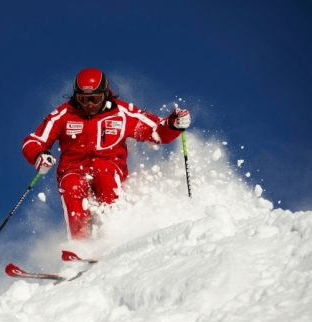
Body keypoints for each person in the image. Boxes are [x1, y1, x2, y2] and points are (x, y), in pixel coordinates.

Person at [22, 68, 191, 241]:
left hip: (109, 167)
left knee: (103, 173)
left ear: (105, 94)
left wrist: (173, 124)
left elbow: (156, 131)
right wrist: (39, 155)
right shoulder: (64, 115)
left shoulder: (121, 113)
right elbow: (34, 141)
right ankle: (80, 246)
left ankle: (113, 236)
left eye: (95, 99)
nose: (89, 105)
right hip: (73, 169)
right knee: (72, 186)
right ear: (76, 97)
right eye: (83, 99)